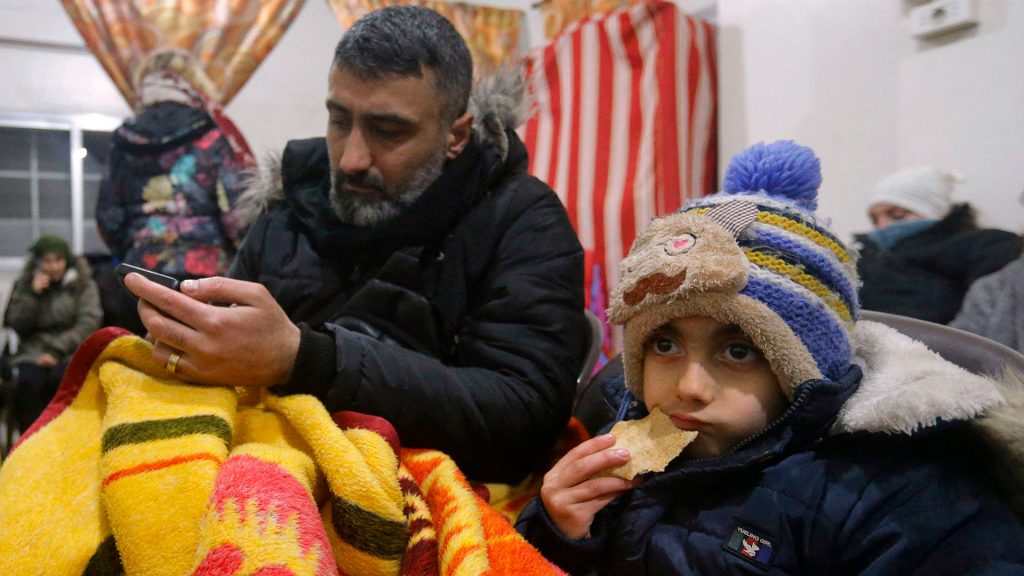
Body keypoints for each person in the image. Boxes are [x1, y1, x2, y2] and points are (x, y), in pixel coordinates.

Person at [124, 6, 587, 483]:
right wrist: (194, 340)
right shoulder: (288, 209)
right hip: (262, 474)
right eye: (339, 121)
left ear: (456, 135)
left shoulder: (523, 222)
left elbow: (523, 423)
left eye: (388, 131)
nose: (351, 159)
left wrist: (307, 359)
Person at [516, 141, 1024, 574]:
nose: (688, 387)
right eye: (664, 345)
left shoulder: (898, 497)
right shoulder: (626, 431)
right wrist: (557, 531)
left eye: (739, 351)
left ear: (805, 364)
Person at [96, 49, 251, 333]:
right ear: (193, 81)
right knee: (203, 368)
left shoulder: (123, 139)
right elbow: (238, 216)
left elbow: (108, 217)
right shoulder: (212, 132)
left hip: (141, 275)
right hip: (205, 278)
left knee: (146, 364)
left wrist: (134, 247)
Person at [855, 166, 1022, 323]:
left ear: (932, 209)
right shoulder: (864, 257)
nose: (882, 226)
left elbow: (990, 313)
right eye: (875, 219)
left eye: (897, 214)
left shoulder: (985, 246)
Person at [2, 235, 103, 432]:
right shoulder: (24, 285)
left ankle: (65, 441)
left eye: (58, 260)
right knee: (28, 384)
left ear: (67, 261)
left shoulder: (82, 285)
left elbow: (89, 322)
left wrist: (56, 350)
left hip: (70, 350)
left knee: (62, 383)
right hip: (32, 351)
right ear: (38, 262)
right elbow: (16, 324)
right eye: (47, 261)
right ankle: (29, 443)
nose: (53, 266)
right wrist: (32, 295)